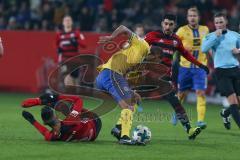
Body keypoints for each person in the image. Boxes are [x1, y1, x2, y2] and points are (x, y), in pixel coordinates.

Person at [144, 14, 209, 139]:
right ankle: (120, 128)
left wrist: (200, 65)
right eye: (166, 23)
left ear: (174, 25)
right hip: (149, 75)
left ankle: (189, 130)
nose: (168, 26)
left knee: (176, 102)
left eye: (170, 24)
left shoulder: (176, 40)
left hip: (164, 78)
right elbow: (139, 48)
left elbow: (186, 54)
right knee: (132, 99)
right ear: (162, 23)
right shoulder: (153, 36)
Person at [96, 25, 160, 145]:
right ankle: (124, 137)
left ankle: (119, 128)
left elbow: (123, 80)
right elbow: (123, 28)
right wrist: (111, 37)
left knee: (133, 101)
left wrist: (132, 92)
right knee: (127, 106)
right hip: (111, 73)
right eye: (158, 61)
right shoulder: (143, 45)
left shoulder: (140, 61)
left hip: (108, 77)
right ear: (156, 56)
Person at [172, 7, 209, 129]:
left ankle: (200, 121)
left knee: (201, 92)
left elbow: (209, 47)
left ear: (198, 17)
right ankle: (177, 112)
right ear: (187, 17)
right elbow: (173, 45)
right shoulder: (181, 31)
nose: (192, 18)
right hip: (185, 67)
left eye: (194, 15)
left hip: (200, 67)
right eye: (190, 16)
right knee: (181, 93)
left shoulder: (205, 30)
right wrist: (181, 48)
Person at [202, 12, 240, 130]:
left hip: (235, 70)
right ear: (214, 24)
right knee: (233, 101)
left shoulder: (235, 35)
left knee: (238, 103)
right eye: (216, 22)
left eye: (221, 22)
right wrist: (216, 36)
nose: (218, 24)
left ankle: (225, 113)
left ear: (226, 22)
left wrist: (238, 50)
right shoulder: (210, 36)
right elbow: (204, 48)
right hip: (222, 72)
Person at [21, 93, 102, 141]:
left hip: (89, 136)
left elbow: (45, 133)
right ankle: (46, 102)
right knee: (69, 107)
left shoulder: (54, 136)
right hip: (95, 122)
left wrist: (32, 120)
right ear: (55, 117)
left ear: (46, 123)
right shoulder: (71, 120)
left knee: (65, 109)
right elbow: (78, 100)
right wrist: (56, 96)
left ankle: (46, 102)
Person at [56, 15, 86, 86]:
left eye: (69, 20)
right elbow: (57, 47)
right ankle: (71, 95)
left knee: (75, 80)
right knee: (67, 77)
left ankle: (75, 95)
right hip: (64, 60)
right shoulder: (59, 34)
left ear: (72, 22)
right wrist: (58, 50)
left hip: (75, 60)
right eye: (66, 20)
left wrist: (76, 42)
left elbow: (84, 44)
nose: (67, 22)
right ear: (63, 23)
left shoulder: (77, 33)